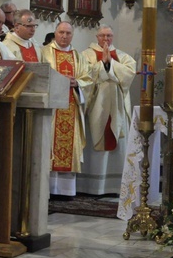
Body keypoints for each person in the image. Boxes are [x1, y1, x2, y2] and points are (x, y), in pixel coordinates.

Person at [78, 25, 135, 195]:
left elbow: (129, 74)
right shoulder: (85, 55)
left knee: (117, 139)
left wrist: (111, 63)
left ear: (113, 37)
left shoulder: (123, 56)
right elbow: (85, 75)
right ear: (96, 36)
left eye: (109, 35)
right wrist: (102, 64)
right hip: (96, 106)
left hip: (117, 106)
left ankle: (114, 186)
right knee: (95, 139)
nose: (105, 39)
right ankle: (90, 186)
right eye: (102, 35)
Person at [41, 21, 95, 197]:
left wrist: (76, 83)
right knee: (49, 145)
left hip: (71, 106)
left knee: (68, 147)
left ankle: (65, 191)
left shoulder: (78, 57)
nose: (64, 36)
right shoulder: (43, 53)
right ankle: (48, 189)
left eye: (68, 33)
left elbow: (88, 80)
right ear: (55, 33)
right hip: (52, 110)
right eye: (61, 32)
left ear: (72, 35)